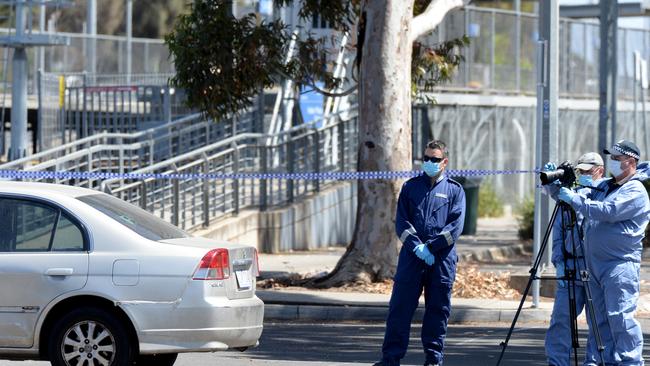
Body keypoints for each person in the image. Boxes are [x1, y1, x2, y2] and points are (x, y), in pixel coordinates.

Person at [556, 140, 650, 366]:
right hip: (594, 264)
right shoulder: (608, 186)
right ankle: (605, 361)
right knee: (599, 320)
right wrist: (556, 186)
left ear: (630, 161)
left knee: (620, 317)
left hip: (618, 264)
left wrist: (574, 198)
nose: (613, 162)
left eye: (617, 159)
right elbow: (581, 197)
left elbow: (608, 211)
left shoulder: (634, 190)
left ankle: (630, 362)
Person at [374, 140, 466, 366]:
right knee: (399, 309)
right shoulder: (410, 187)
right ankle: (390, 359)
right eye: (426, 158)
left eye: (434, 159)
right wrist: (417, 246)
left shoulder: (455, 190)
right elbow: (402, 223)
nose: (429, 162)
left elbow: (454, 227)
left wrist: (432, 247)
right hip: (412, 258)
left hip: (441, 260)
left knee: (437, 311)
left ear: (444, 162)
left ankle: (433, 360)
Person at [543, 152, 605, 366]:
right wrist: (558, 261)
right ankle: (557, 362)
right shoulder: (572, 193)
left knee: (598, 321)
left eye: (588, 171)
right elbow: (559, 229)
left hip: (595, 267)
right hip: (570, 265)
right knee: (561, 320)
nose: (583, 174)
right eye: (581, 171)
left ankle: (595, 362)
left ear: (600, 170)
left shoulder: (606, 192)